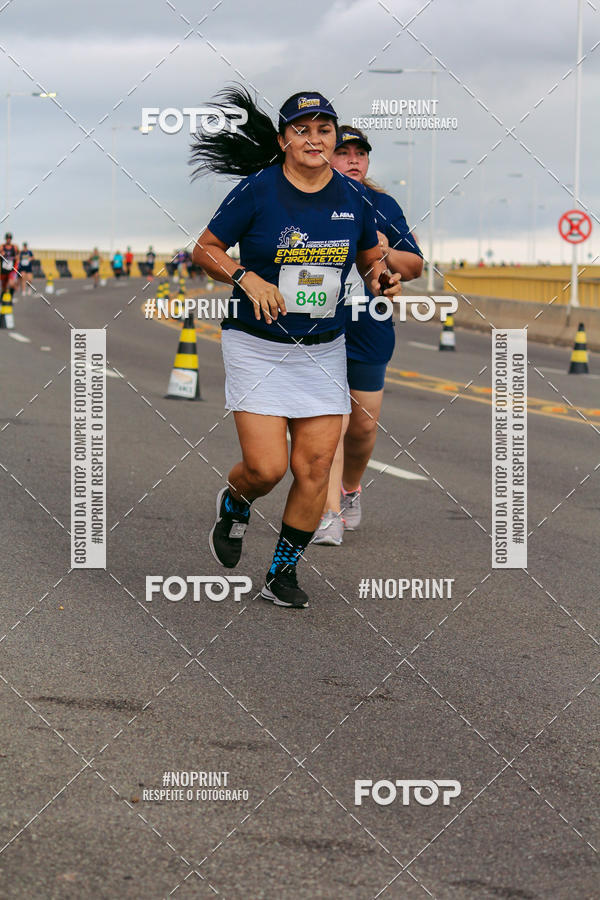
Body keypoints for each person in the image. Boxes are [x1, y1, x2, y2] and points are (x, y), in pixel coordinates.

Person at [191, 88, 401, 609]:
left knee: (312, 468)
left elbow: (372, 259)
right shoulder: (258, 190)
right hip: (256, 345)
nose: (315, 139)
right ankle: (235, 503)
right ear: (285, 140)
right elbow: (205, 249)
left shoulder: (354, 199)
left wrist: (383, 277)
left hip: (323, 349)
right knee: (266, 468)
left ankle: (282, 573)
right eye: (303, 130)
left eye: (324, 129)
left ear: (334, 138)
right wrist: (247, 278)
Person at [312, 126, 423, 545]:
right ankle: (328, 514)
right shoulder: (307, 200)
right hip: (320, 321)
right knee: (329, 422)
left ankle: (350, 487)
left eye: (360, 153)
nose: (353, 159)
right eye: (344, 152)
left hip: (369, 323)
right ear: (325, 155)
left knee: (362, 428)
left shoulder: (382, 205)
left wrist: (381, 251)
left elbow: (412, 266)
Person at [1, 232, 19, 296]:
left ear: (11, 239)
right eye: (7, 238)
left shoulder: (14, 247)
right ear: (5, 239)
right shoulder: (2, 247)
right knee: (4, 286)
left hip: (11, 268)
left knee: (11, 284)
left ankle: (11, 297)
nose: (8, 239)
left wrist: (16, 267)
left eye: (9, 238)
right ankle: (2, 299)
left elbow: (17, 257)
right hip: (4, 269)